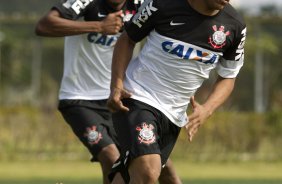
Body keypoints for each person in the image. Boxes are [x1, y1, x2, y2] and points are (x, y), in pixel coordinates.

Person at [35, 0, 182, 184]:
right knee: (110, 156)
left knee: (162, 165)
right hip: (81, 99)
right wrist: (98, 26)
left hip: (124, 97)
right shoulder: (86, 2)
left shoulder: (141, 5)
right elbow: (45, 25)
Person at [107, 0, 247, 183]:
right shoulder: (162, 4)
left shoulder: (235, 25)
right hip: (138, 97)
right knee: (149, 171)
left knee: (130, 177)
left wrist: (207, 109)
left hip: (174, 116)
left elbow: (228, 77)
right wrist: (116, 84)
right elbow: (128, 38)